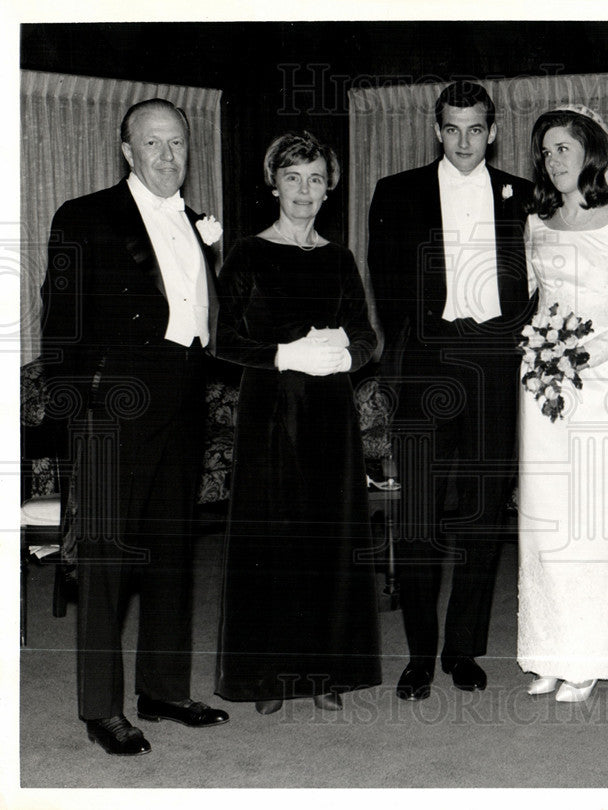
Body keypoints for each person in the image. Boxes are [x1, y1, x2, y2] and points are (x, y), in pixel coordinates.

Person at [40, 98, 229, 756]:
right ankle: (100, 708)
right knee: (105, 564)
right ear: (128, 151)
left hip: (184, 403)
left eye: (177, 142)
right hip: (113, 414)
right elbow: (59, 323)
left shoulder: (198, 221)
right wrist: (82, 412)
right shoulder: (86, 217)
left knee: (173, 553)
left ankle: (164, 689)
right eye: (154, 144)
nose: (169, 155)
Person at [367, 81, 533, 700]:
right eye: (452, 128)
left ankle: (462, 650)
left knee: (484, 512)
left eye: (476, 129)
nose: (464, 141)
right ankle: (418, 654)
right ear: (437, 130)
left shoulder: (524, 194)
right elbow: (386, 287)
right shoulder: (397, 192)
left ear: (492, 132)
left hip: (496, 365)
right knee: (417, 516)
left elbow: (542, 278)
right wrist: (414, 354)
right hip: (429, 364)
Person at [213, 132, 382, 714]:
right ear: (273, 184)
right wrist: (282, 354)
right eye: (293, 178)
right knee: (272, 540)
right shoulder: (247, 253)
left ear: (328, 187)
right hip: (269, 411)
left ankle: (327, 671)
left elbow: (367, 335)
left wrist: (348, 356)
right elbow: (221, 339)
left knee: (326, 540)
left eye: (315, 178)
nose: (304, 190)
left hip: (330, 416)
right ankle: (269, 676)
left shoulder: (340, 258)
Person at [516, 106, 608, 703]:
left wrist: (587, 352)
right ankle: (549, 649)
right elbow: (532, 297)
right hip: (543, 384)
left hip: (602, 384)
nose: (555, 161)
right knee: (547, 517)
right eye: (546, 152)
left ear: (592, 152)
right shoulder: (537, 221)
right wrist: (542, 354)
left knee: (594, 518)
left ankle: (591, 656)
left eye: (565, 148)